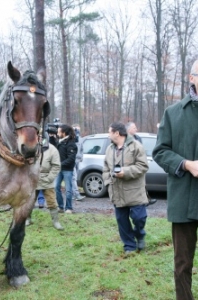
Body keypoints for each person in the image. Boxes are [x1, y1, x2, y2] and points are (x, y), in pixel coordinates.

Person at [152, 59, 198, 300]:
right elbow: (160, 151)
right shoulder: (173, 113)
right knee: (182, 263)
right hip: (184, 200)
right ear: (191, 78)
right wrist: (187, 164)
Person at [102, 122, 149, 254]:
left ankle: (139, 234)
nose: (108, 134)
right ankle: (129, 246)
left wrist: (125, 172)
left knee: (139, 218)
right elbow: (105, 167)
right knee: (122, 221)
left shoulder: (136, 146)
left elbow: (143, 166)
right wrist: (107, 181)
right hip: (117, 191)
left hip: (134, 191)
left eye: (109, 131)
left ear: (117, 133)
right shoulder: (109, 149)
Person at [26, 133, 63, 230]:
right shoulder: (30, 147)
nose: (38, 138)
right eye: (36, 136)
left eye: (40, 136)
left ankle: (56, 221)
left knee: (52, 201)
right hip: (33, 179)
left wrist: (49, 178)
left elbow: (56, 166)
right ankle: (27, 219)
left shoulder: (52, 150)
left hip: (47, 180)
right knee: (29, 201)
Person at [126, 121, 157, 207]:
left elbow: (141, 152)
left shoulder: (138, 138)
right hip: (129, 166)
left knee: (142, 184)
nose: (136, 129)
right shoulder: (123, 139)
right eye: (134, 128)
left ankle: (145, 200)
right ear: (128, 129)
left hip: (139, 165)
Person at [55, 124, 78, 213]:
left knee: (68, 189)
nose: (57, 133)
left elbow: (71, 159)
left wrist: (60, 164)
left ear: (63, 133)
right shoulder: (60, 141)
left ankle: (69, 208)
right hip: (59, 169)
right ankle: (60, 207)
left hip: (68, 170)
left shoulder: (71, 144)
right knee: (56, 187)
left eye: (59, 132)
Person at [72, 124, 85, 201]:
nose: (77, 131)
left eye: (78, 130)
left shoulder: (80, 139)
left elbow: (82, 149)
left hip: (78, 160)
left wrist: (81, 157)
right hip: (72, 160)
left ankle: (74, 193)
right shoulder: (71, 139)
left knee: (75, 178)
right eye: (76, 129)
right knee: (73, 177)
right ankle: (75, 194)